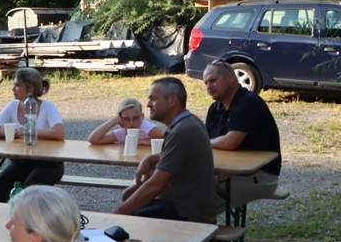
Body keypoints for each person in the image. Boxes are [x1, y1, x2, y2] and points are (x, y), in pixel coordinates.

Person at [113, 77, 217, 223]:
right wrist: (150, 158)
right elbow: (175, 156)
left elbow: (155, 185)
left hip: (188, 211)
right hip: (185, 205)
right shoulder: (188, 121)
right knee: (129, 196)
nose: (148, 104)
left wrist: (115, 214)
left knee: (131, 219)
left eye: (154, 99)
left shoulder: (182, 131)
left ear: (172, 100)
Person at [202, 60, 283, 211]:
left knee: (199, 201)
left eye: (213, 80)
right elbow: (209, 144)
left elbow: (229, 142)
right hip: (229, 171)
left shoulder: (248, 102)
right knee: (187, 188)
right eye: (206, 83)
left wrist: (203, 142)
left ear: (231, 77)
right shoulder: (215, 108)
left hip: (260, 175)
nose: (208, 86)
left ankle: (207, 232)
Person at [0, 67, 66, 201]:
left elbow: (59, 133)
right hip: (22, 162)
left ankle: (25, 220)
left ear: (30, 89)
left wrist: (30, 132)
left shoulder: (47, 106)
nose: (13, 89)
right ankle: (1, 219)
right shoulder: (13, 105)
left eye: (17, 86)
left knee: (27, 194)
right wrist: (15, 132)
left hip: (48, 164)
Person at [87, 97, 166, 145]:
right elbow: (93, 139)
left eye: (135, 118)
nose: (131, 123)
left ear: (142, 116)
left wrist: (141, 142)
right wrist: (114, 120)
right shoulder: (123, 132)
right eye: (126, 119)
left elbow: (170, 139)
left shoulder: (146, 127)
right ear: (121, 119)